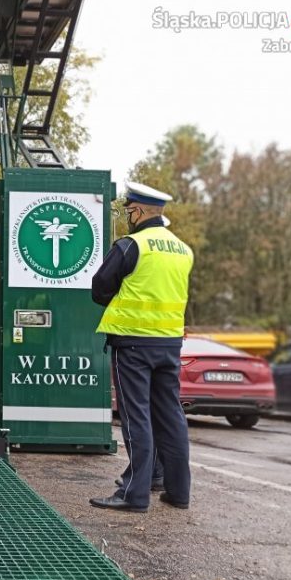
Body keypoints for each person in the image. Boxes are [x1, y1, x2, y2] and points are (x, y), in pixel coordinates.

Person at [89, 181, 194, 512]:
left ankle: (133, 495)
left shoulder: (131, 245)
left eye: (129, 210)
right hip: (169, 344)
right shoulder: (183, 249)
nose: (128, 216)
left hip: (133, 343)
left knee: (136, 417)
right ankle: (178, 492)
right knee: (171, 416)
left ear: (139, 211)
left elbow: (100, 287)